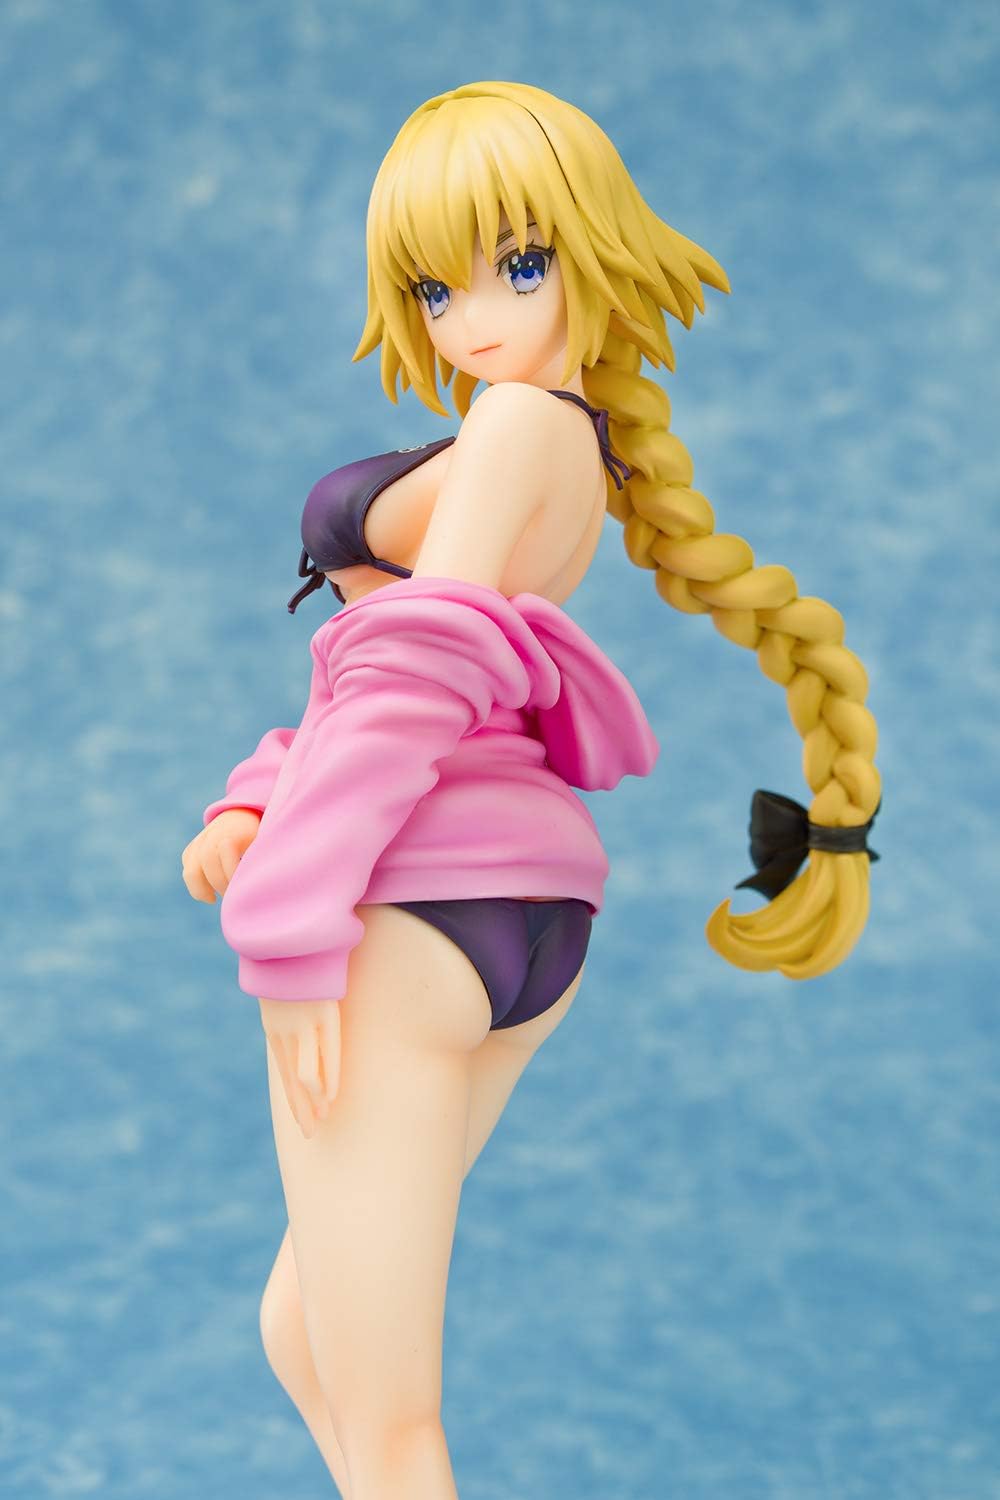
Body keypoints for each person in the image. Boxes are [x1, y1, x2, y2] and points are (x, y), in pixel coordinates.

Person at [180, 81, 881, 1499]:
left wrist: (291, 923)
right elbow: (409, 670)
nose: (473, 318)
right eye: (435, 289)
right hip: (518, 903)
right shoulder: (554, 438)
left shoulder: (514, 425)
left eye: (515, 264)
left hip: (407, 912)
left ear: (587, 244)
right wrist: (262, 795)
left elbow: (420, 669)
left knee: (391, 1417)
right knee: (303, 1330)